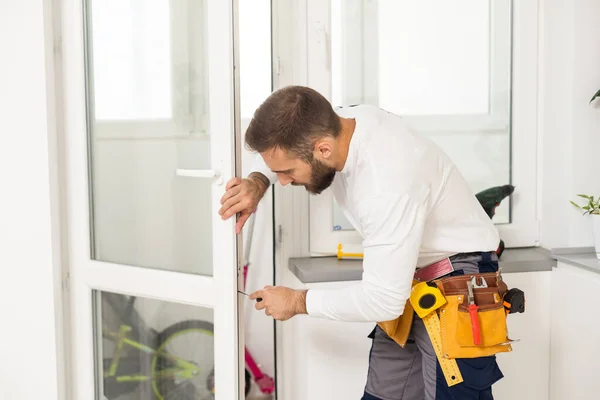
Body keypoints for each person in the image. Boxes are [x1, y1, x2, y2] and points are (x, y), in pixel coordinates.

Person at [218, 85, 505, 400]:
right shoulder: (344, 121)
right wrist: (258, 182)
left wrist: (297, 302)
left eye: (287, 173)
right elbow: (286, 147)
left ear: (324, 149)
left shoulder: (387, 182)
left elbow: (382, 300)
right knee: (382, 395)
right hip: (408, 276)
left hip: (458, 284)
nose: (284, 182)